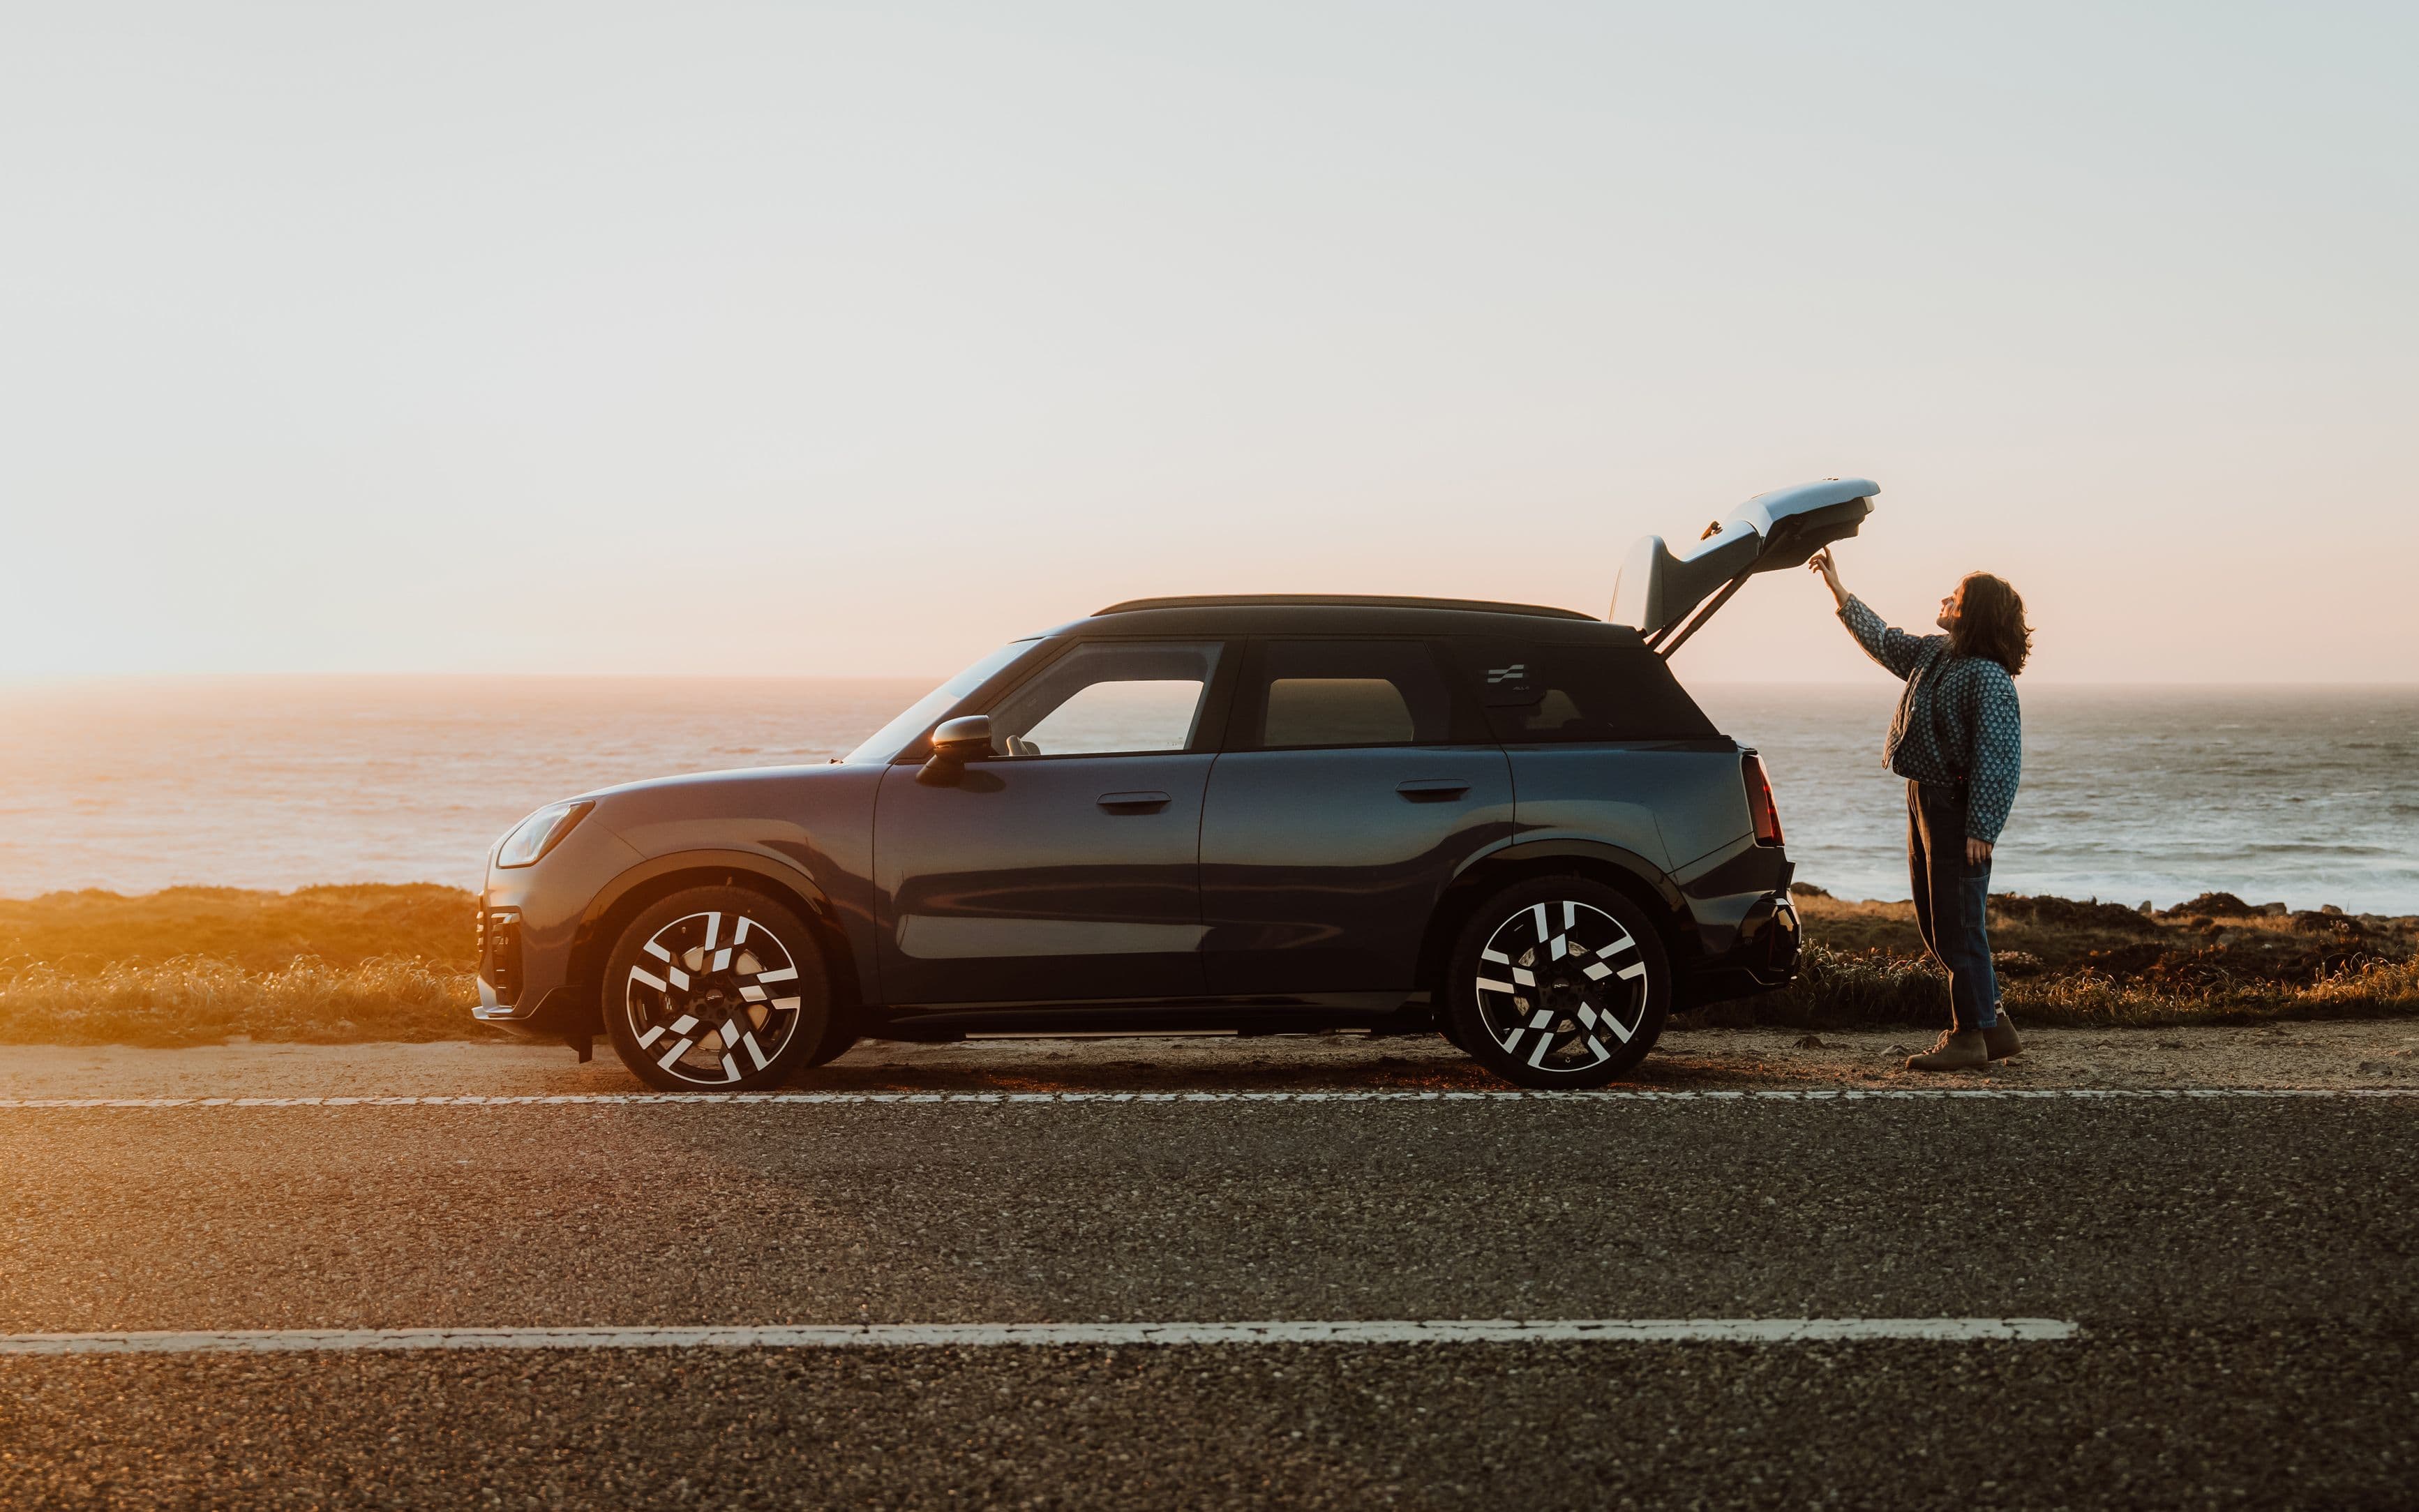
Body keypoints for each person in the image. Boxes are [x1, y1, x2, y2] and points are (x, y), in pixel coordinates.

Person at [1809, 548, 2030, 1072]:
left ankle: (1967, 1037)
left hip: (1955, 810)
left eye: (1952, 598)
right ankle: (1994, 1028)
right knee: (1937, 925)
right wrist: (1839, 591)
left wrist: (1982, 825)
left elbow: (1999, 758)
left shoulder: (1988, 678)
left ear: (1970, 613)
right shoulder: (1934, 653)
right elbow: (1884, 641)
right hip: (1923, 796)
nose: (1943, 601)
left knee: (1959, 925)